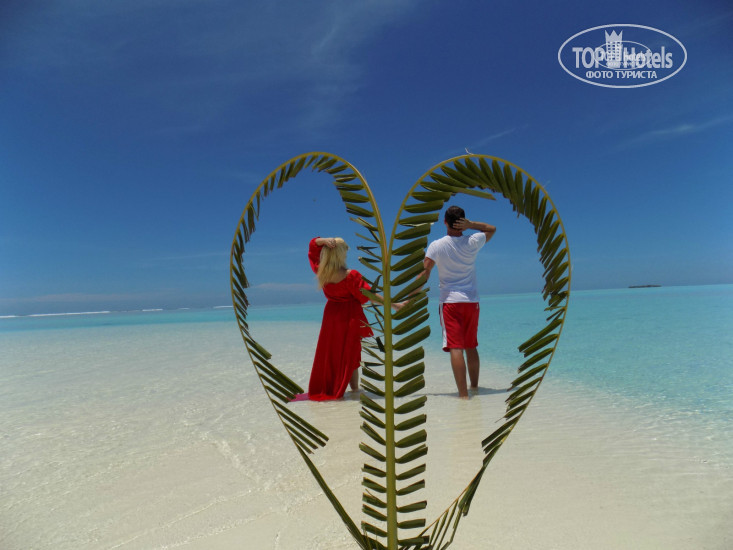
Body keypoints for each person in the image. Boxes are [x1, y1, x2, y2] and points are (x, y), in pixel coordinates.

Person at [419, 206, 496, 399]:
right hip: (471, 301)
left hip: (450, 302)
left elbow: (425, 273)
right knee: (471, 345)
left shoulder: (436, 245)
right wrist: (471, 225)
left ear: (445, 222)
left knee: (455, 347)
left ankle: (463, 396)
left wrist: (410, 295)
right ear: (462, 222)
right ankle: (474, 387)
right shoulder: (473, 241)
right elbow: (491, 229)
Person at [293, 237, 376, 401]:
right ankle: (354, 390)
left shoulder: (321, 271)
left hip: (331, 317)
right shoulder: (350, 275)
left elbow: (312, 247)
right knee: (351, 353)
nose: (346, 255)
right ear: (340, 254)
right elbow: (367, 296)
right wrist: (394, 305)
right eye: (345, 251)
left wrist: (323, 241)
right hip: (349, 317)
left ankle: (349, 389)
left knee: (331, 353)